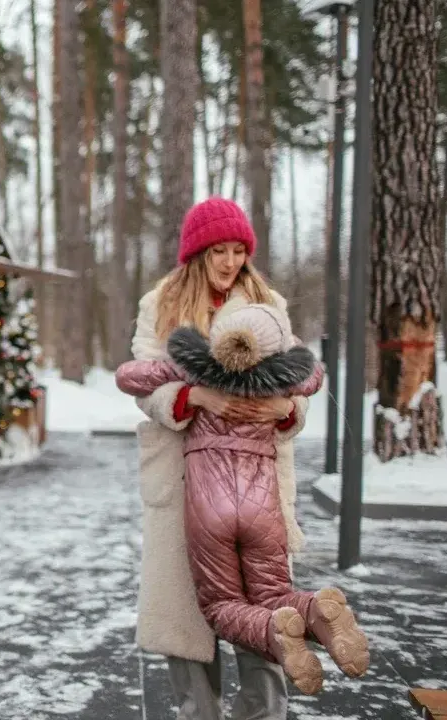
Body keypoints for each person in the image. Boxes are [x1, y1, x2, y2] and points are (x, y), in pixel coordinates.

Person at [116, 300, 369, 695]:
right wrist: (281, 379)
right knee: (274, 593)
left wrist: (191, 381)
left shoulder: (197, 364)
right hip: (261, 504)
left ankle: (272, 631)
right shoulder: (281, 376)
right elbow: (314, 375)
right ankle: (318, 610)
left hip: (209, 505)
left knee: (220, 604)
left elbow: (129, 376)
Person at [130, 197, 313, 719]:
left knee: (263, 607)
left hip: (254, 480)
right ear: (196, 253)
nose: (230, 262)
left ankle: (264, 714)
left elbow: (298, 378)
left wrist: (285, 409)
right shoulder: (160, 304)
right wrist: (194, 399)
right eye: (219, 251)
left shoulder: (266, 301)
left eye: (238, 250)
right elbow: (144, 382)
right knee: (187, 617)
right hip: (186, 473)